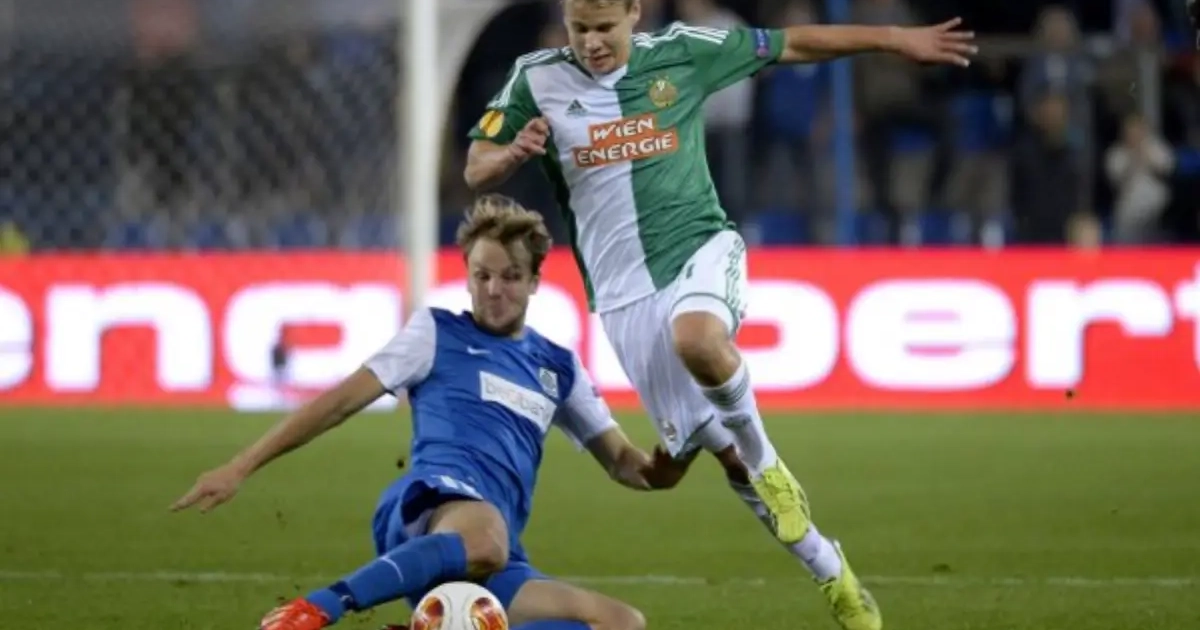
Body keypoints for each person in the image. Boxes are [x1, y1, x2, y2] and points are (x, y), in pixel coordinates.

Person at [463, 2, 978, 629]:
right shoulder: (536, 77)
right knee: (722, 456)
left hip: (699, 248)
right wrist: (510, 155)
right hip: (624, 297)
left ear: (634, 13)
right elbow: (476, 166)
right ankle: (831, 570)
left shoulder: (682, 53)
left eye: (605, 29)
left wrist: (894, 38)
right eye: (581, 30)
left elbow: (792, 44)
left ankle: (769, 464)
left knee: (700, 341)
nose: (592, 43)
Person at [171, 194, 685, 630]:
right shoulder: (436, 333)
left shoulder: (559, 366)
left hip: (492, 553)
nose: (494, 289)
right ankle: (316, 608)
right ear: (467, 277)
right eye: (482, 275)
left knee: (621, 622)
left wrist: (662, 472)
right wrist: (240, 465)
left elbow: (623, 461)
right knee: (484, 537)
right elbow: (339, 402)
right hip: (430, 508)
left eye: (510, 276)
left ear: (534, 281)